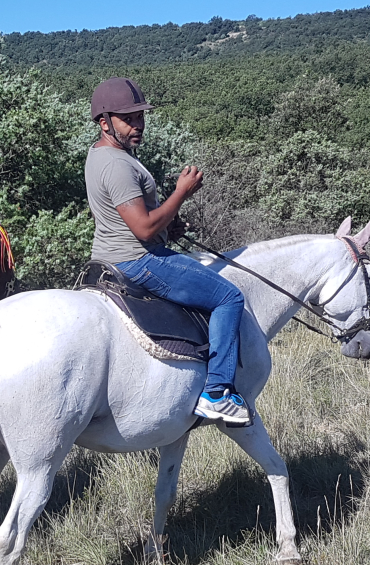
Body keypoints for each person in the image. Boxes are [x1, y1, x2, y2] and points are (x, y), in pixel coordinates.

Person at [86, 77, 252, 427]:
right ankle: (217, 392)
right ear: (104, 122)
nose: (137, 125)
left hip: (113, 252)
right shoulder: (118, 165)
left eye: (139, 117)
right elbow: (143, 228)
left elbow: (134, 218)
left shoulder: (103, 155)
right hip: (138, 258)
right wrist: (182, 193)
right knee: (229, 298)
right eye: (127, 119)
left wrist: (169, 224)